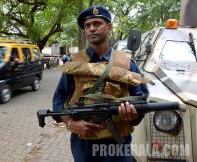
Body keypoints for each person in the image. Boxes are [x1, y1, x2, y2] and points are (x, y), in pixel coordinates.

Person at [52, 5, 149, 162]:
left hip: (117, 144)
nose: (91, 28)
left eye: (97, 23)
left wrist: (132, 114)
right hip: (84, 145)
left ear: (109, 27)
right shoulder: (75, 63)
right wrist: (71, 123)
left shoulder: (126, 62)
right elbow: (58, 101)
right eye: (87, 26)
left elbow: (141, 97)